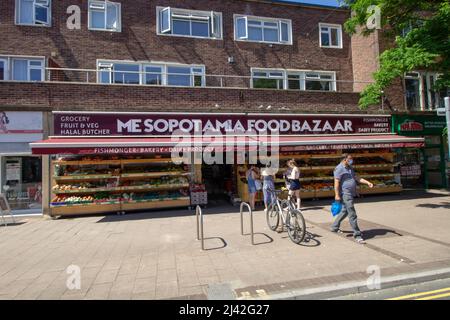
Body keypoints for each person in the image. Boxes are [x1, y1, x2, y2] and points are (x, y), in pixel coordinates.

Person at [331, 153, 374, 244]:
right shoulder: (339, 168)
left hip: (351, 193)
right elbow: (336, 183)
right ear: (344, 159)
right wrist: (337, 195)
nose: (351, 160)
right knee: (352, 214)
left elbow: (356, 177)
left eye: (351, 159)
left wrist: (367, 182)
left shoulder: (350, 168)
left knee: (345, 211)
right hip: (345, 194)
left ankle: (334, 226)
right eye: (350, 159)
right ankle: (357, 235)